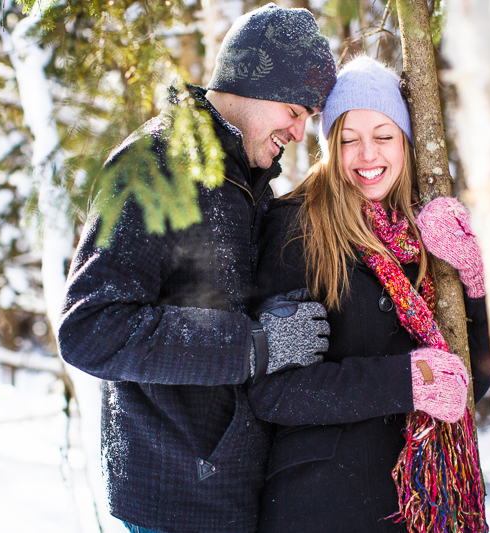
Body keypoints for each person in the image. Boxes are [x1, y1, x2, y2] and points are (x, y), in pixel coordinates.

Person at [56, 5, 336, 533]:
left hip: (234, 490)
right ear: (257, 81)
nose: (299, 132)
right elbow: (90, 329)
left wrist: (269, 320)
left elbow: (212, 301)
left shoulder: (246, 184)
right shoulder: (156, 164)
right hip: (175, 499)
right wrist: (255, 344)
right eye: (296, 110)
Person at [248, 56, 490, 532]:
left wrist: (475, 281)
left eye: (383, 136)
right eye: (348, 140)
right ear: (328, 146)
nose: (367, 155)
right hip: (325, 505)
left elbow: (469, 382)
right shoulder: (295, 227)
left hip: (425, 505)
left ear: (405, 142)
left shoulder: (423, 234)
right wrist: (405, 380)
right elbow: (274, 393)